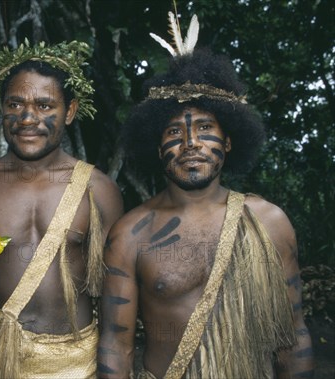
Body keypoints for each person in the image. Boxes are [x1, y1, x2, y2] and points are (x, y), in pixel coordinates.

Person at [97, 13, 314, 379]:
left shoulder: (267, 222)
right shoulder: (131, 234)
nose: (191, 143)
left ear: (228, 141)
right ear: (157, 144)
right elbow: (116, 347)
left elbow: (292, 337)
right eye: (174, 132)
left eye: (204, 128)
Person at [0, 40, 124, 378]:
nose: (28, 118)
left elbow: (116, 297)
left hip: (73, 366)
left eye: (45, 105)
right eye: (15, 104)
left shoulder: (97, 190)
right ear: (1, 109)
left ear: (70, 112)